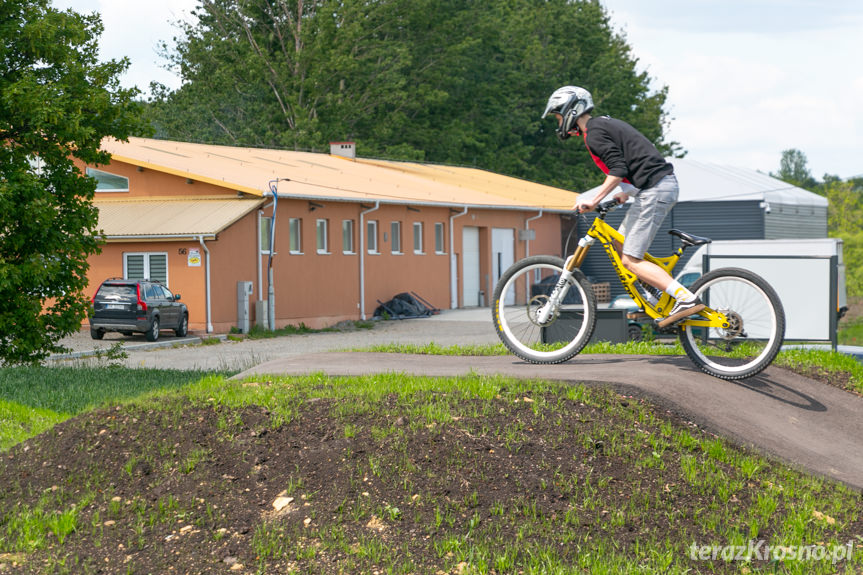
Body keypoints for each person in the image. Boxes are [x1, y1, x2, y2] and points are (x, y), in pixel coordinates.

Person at [541, 85, 704, 327]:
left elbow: (618, 170)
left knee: (630, 260)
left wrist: (594, 200)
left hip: (656, 189)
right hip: (653, 188)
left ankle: (686, 299)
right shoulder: (601, 126)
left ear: (570, 111)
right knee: (620, 242)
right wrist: (623, 195)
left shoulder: (594, 133)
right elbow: (633, 163)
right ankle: (654, 297)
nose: (558, 121)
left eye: (558, 115)